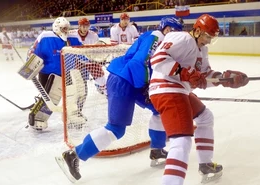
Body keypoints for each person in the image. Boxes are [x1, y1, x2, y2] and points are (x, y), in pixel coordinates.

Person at [55, 17, 183, 182]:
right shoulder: (157, 37)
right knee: (115, 129)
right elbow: (139, 63)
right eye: (174, 31)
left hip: (132, 81)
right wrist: (146, 86)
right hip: (123, 80)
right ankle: (74, 155)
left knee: (159, 109)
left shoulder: (159, 39)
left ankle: (157, 149)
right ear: (166, 28)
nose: (176, 35)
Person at [149, 14, 249, 185]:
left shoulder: (202, 50)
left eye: (212, 38)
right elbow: (157, 59)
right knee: (181, 140)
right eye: (207, 36)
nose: (209, 41)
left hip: (179, 91)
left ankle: (205, 164)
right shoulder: (182, 38)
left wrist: (224, 79)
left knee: (205, 117)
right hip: (167, 89)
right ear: (196, 31)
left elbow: (204, 76)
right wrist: (184, 73)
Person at [26, 17, 83, 130]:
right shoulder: (45, 36)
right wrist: (30, 62)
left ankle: (71, 117)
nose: (65, 31)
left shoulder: (73, 37)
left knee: (72, 95)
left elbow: (82, 54)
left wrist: (92, 56)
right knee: (50, 98)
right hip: (47, 74)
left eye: (67, 28)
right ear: (56, 28)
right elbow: (33, 51)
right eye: (63, 28)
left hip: (67, 73)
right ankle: (39, 119)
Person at [69, 17, 107, 95]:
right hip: (77, 60)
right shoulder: (72, 34)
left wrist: (99, 59)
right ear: (79, 26)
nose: (85, 28)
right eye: (83, 26)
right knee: (77, 81)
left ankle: (106, 92)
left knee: (101, 79)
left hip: (90, 60)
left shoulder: (93, 35)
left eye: (87, 26)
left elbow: (97, 50)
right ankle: (77, 95)